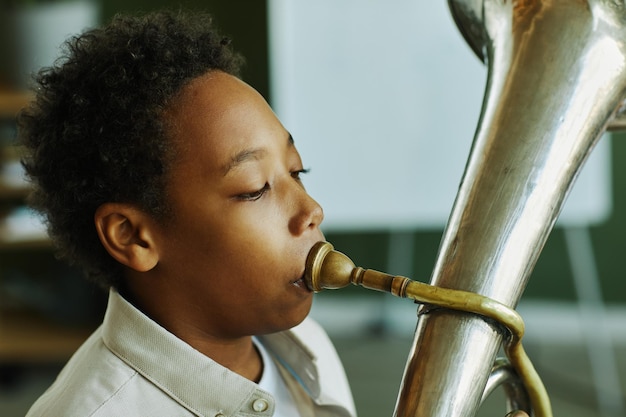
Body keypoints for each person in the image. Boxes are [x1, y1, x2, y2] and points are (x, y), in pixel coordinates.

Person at [19, 10, 356, 417]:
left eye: (296, 171)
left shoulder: (311, 347)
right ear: (133, 236)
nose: (311, 210)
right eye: (254, 190)